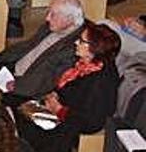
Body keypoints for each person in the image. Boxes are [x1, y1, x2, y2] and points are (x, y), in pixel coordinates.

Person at [16, 23, 121, 152]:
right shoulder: (84, 65)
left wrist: (59, 110)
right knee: (17, 109)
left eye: (82, 41)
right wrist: (55, 94)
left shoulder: (102, 81)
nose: (76, 42)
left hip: (67, 126)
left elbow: (93, 122)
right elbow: (68, 90)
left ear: (94, 48)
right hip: (57, 114)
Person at [0, 0, 85, 103]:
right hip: (11, 72)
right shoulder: (51, 27)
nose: (47, 18)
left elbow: (49, 79)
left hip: (24, 89)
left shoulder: (74, 47)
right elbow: (26, 46)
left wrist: (17, 86)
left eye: (53, 15)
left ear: (69, 19)